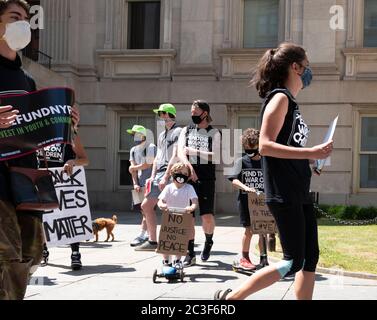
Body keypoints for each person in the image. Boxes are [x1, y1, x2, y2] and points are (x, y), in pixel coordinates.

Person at [214, 42, 333, 300]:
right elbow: (265, 145)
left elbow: (287, 147)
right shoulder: (280, 98)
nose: (309, 73)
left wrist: (311, 161)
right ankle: (231, 298)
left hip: (298, 189)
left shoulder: (290, 102)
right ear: (295, 67)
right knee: (292, 261)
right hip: (284, 192)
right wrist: (311, 152)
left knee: (309, 257)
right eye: (307, 67)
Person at [0, 0, 79, 299]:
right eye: (14, 16)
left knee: (30, 254)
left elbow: (41, 135)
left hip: (26, 179)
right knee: (6, 256)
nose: (24, 23)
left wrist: (65, 123)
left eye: (26, 17)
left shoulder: (27, 79)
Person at [177, 100, 221, 266]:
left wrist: (194, 151)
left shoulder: (214, 132)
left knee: (206, 216)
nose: (192, 116)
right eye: (191, 113)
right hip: (188, 178)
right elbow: (181, 152)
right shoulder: (186, 130)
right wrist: (189, 168)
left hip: (206, 179)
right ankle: (190, 252)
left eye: (195, 113)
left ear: (205, 113)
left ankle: (208, 241)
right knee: (188, 216)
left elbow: (215, 156)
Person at [39, 132, 89, 271]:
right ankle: (42, 248)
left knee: (70, 216)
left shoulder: (68, 133)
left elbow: (84, 159)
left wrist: (72, 161)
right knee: (44, 217)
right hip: (42, 181)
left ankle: (75, 252)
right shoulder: (36, 134)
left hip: (66, 183)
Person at [136, 104, 182, 251]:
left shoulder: (179, 131)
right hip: (159, 174)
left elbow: (175, 155)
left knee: (170, 208)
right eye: (159, 115)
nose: (160, 117)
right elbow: (157, 157)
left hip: (172, 173)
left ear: (169, 114)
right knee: (146, 205)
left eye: (162, 114)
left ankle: (174, 241)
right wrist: (152, 176)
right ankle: (152, 241)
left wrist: (167, 176)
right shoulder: (162, 134)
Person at [227, 128, 266, 271]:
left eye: (253, 149)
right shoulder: (241, 161)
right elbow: (233, 180)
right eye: (247, 149)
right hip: (246, 202)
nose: (249, 152)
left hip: (262, 203)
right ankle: (245, 257)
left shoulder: (266, 162)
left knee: (263, 231)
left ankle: (264, 258)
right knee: (248, 230)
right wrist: (245, 187)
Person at [157, 163, 198, 267]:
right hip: (169, 216)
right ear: (172, 174)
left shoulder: (189, 188)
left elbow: (194, 200)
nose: (181, 175)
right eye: (179, 173)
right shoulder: (168, 188)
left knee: (179, 240)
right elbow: (160, 200)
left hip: (182, 216)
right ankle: (166, 261)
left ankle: (177, 260)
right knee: (166, 240)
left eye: (185, 173)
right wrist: (162, 205)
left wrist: (192, 207)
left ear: (188, 176)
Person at [127, 125, 157, 247]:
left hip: (150, 183)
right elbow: (132, 169)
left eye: (137, 134)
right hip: (139, 184)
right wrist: (135, 183)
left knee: (147, 209)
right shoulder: (133, 150)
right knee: (143, 211)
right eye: (133, 134)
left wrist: (133, 167)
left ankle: (145, 235)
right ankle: (146, 234)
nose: (135, 136)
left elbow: (148, 164)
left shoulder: (151, 147)